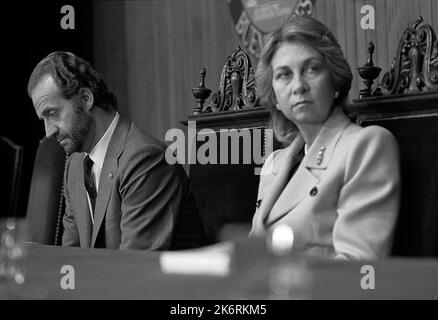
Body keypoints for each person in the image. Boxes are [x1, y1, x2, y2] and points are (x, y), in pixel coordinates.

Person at [249, 16, 401, 260]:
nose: (298, 86)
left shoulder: (366, 145)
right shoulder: (275, 162)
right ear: (275, 97)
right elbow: (251, 254)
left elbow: (357, 263)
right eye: (284, 75)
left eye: (311, 69)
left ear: (336, 82)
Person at [28, 51, 207, 250]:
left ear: (86, 98)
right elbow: (71, 259)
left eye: (52, 113)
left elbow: (133, 269)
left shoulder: (146, 159)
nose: (48, 131)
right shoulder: (75, 164)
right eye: (43, 120)